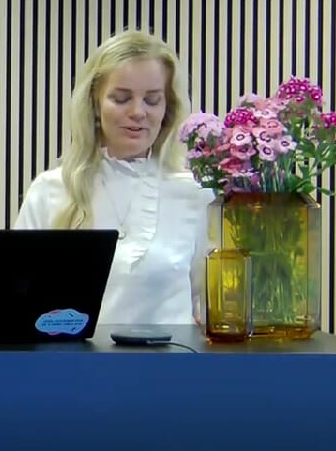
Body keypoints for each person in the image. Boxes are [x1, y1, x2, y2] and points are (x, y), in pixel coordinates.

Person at [13, 30, 213, 325]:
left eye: (152, 100)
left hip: (171, 368)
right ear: (95, 103)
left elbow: (213, 309)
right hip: (70, 369)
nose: (138, 112)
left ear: (167, 108)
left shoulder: (198, 195)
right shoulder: (50, 190)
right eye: (121, 99)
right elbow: (14, 297)